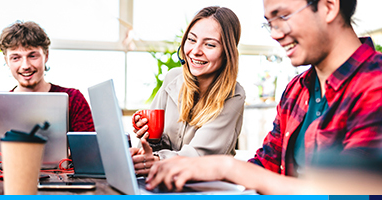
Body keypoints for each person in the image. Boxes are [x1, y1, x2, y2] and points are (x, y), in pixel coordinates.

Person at [145, 0, 382, 194]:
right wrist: (196, 170)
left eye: (283, 16)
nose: (275, 34)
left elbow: (348, 192)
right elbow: (265, 166)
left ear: (328, 7)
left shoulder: (375, 84)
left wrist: (224, 166)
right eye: (270, 23)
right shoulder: (296, 90)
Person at [130, 6, 246, 176]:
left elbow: (199, 157)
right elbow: (149, 150)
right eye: (191, 40)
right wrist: (149, 141)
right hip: (163, 181)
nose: (196, 51)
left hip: (204, 187)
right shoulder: (172, 79)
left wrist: (157, 160)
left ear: (227, 53)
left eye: (210, 44)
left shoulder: (233, 95)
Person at [0, 21, 95, 132]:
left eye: (33, 56)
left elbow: (89, 148)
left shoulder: (73, 100)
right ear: (7, 61)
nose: (25, 66)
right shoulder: (0, 107)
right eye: (16, 58)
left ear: (46, 55)